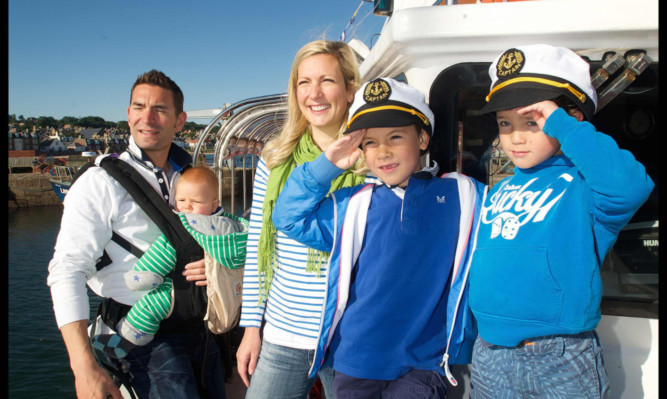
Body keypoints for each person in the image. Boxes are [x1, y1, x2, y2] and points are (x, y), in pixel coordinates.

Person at [272, 77, 486, 399]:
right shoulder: (354, 204)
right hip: (355, 362)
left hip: (424, 363)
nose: (382, 151)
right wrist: (326, 165)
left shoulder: (461, 194)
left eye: (396, 136)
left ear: (423, 138)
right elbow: (287, 217)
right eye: (370, 142)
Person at [468, 44, 655, 398]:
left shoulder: (585, 186)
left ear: (571, 120)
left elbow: (631, 186)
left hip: (560, 357)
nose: (516, 137)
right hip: (490, 353)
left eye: (532, 122)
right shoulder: (498, 191)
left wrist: (561, 125)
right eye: (505, 123)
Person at [47, 70, 227, 398]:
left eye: (160, 109)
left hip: (202, 325)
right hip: (144, 332)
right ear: (128, 114)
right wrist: (83, 367)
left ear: (179, 120)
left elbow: (221, 234)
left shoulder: (190, 178)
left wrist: (216, 267)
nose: (147, 117)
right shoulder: (100, 183)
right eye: (139, 107)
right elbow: (67, 270)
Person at [236, 39, 365, 399]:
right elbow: (258, 249)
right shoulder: (275, 158)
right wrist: (251, 328)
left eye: (327, 80)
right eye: (304, 82)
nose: (314, 93)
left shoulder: (371, 159)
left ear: (350, 88)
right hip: (285, 333)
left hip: (349, 336)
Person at [90, 166, 248, 357]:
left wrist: (142, 275)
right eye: (181, 201)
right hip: (220, 298)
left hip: (183, 297)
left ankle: (127, 338)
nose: (187, 206)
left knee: (153, 303)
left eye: (195, 201)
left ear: (214, 204)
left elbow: (162, 253)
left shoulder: (186, 225)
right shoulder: (234, 227)